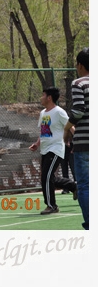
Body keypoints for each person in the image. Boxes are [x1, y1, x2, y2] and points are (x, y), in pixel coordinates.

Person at [29, 87, 77, 215]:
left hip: (56, 149)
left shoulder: (59, 112)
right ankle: (73, 186)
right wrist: (37, 144)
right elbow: (43, 131)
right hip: (45, 149)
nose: (41, 98)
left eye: (43, 95)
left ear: (49, 98)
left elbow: (71, 127)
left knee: (46, 177)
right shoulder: (43, 113)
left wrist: (77, 142)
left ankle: (52, 206)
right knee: (48, 177)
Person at [63, 47, 89, 230]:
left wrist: (67, 129)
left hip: (85, 142)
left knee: (85, 186)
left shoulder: (79, 83)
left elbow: (79, 110)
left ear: (80, 65)